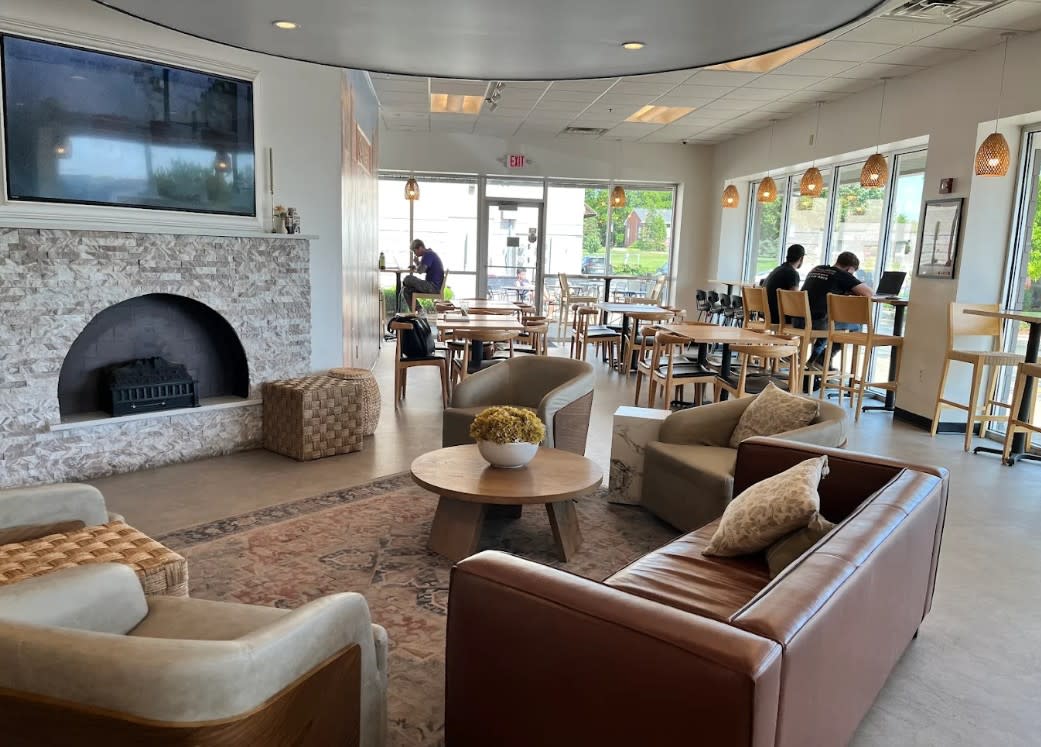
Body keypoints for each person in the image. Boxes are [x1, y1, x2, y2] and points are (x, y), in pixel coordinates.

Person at [799, 251, 873, 368]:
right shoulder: (842, 275)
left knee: (831, 321)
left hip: (798, 320)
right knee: (856, 325)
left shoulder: (817, 269)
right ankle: (822, 358)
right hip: (817, 323)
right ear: (850, 269)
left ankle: (819, 359)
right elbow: (869, 293)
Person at [764, 244, 805, 324]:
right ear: (801, 258)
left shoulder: (777, 269)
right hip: (778, 317)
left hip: (766, 314)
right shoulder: (792, 273)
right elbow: (795, 299)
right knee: (814, 321)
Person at [401, 239, 445, 311]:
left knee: (408, 278)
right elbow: (424, 269)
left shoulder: (428, 254)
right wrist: (417, 265)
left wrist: (417, 263)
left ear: (420, 247)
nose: (415, 254)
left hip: (433, 287)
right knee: (406, 290)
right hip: (432, 286)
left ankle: (405, 283)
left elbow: (421, 270)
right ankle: (420, 311)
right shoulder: (429, 254)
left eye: (414, 251)